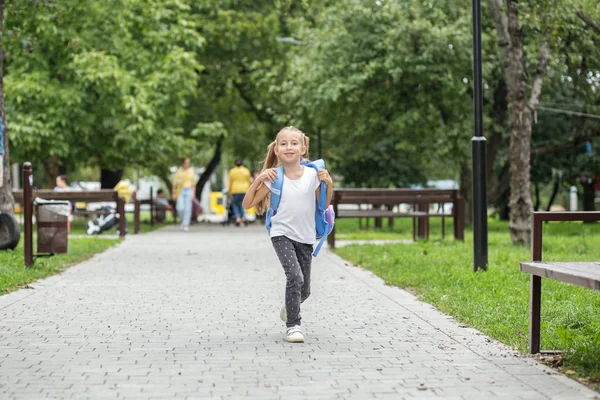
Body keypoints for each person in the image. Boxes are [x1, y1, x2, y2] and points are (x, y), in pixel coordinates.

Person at [242, 126, 333, 343]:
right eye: (283, 144)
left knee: (306, 290)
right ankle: (294, 325)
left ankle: (289, 306)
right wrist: (258, 180)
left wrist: (329, 184)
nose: (288, 147)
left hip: (306, 236)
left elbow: (324, 204)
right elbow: (248, 204)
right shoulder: (274, 177)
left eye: (294, 143)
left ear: (303, 148)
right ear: (276, 150)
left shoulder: (313, 175)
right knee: (295, 277)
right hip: (281, 233)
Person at [172, 157, 195, 231]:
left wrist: (193, 193)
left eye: (189, 162)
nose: (187, 164)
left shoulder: (191, 171)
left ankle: (186, 224)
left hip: (189, 190)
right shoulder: (179, 171)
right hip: (180, 190)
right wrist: (173, 193)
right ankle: (184, 221)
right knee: (180, 208)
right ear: (183, 163)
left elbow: (193, 184)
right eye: (186, 162)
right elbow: (174, 184)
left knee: (187, 208)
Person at [227, 159, 252, 227]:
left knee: (235, 204)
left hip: (235, 190)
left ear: (235, 164)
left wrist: (229, 192)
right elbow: (249, 182)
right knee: (242, 204)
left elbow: (230, 182)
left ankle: (238, 218)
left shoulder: (232, 171)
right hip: (244, 190)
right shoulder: (246, 171)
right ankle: (243, 218)